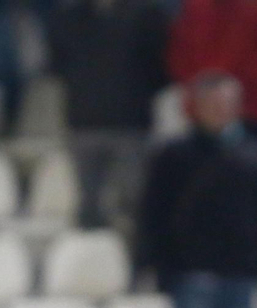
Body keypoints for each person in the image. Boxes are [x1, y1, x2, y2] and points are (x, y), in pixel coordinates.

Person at [138, 71, 257, 308]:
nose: (221, 110)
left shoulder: (250, 154)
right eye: (214, 103)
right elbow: (153, 213)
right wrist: (159, 265)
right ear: (197, 106)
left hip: (239, 274)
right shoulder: (173, 155)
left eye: (228, 103)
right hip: (191, 274)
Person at [48, 0, 167, 230]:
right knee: (89, 207)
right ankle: (92, 251)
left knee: (133, 205)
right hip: (84, 123)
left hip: (131, 124)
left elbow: (158, 66)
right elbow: (58, 65)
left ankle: (131, 250)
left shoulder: (145, 15)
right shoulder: (69, 18)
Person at [165, 0, 257, 136]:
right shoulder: (196, 6)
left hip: (250, 108)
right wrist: (203, 86)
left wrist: (234, 86)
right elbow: (180, 53)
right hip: (200, 109)